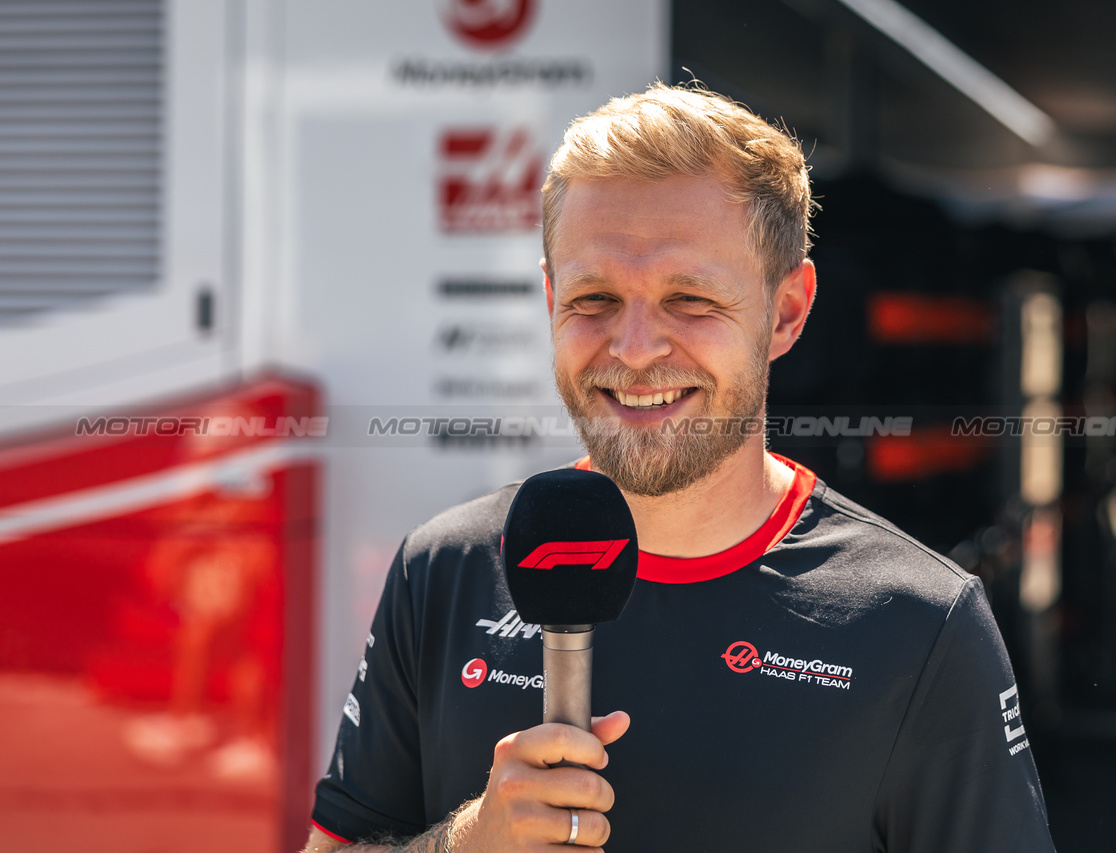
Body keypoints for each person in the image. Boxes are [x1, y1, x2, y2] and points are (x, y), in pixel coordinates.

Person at [303, 83, 1057, 853]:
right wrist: (468, 842)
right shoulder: (444, 568)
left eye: (689, 298)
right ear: (550, 297)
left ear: (787, 311)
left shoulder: (921, 624)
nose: (633, 348)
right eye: (594, 297)